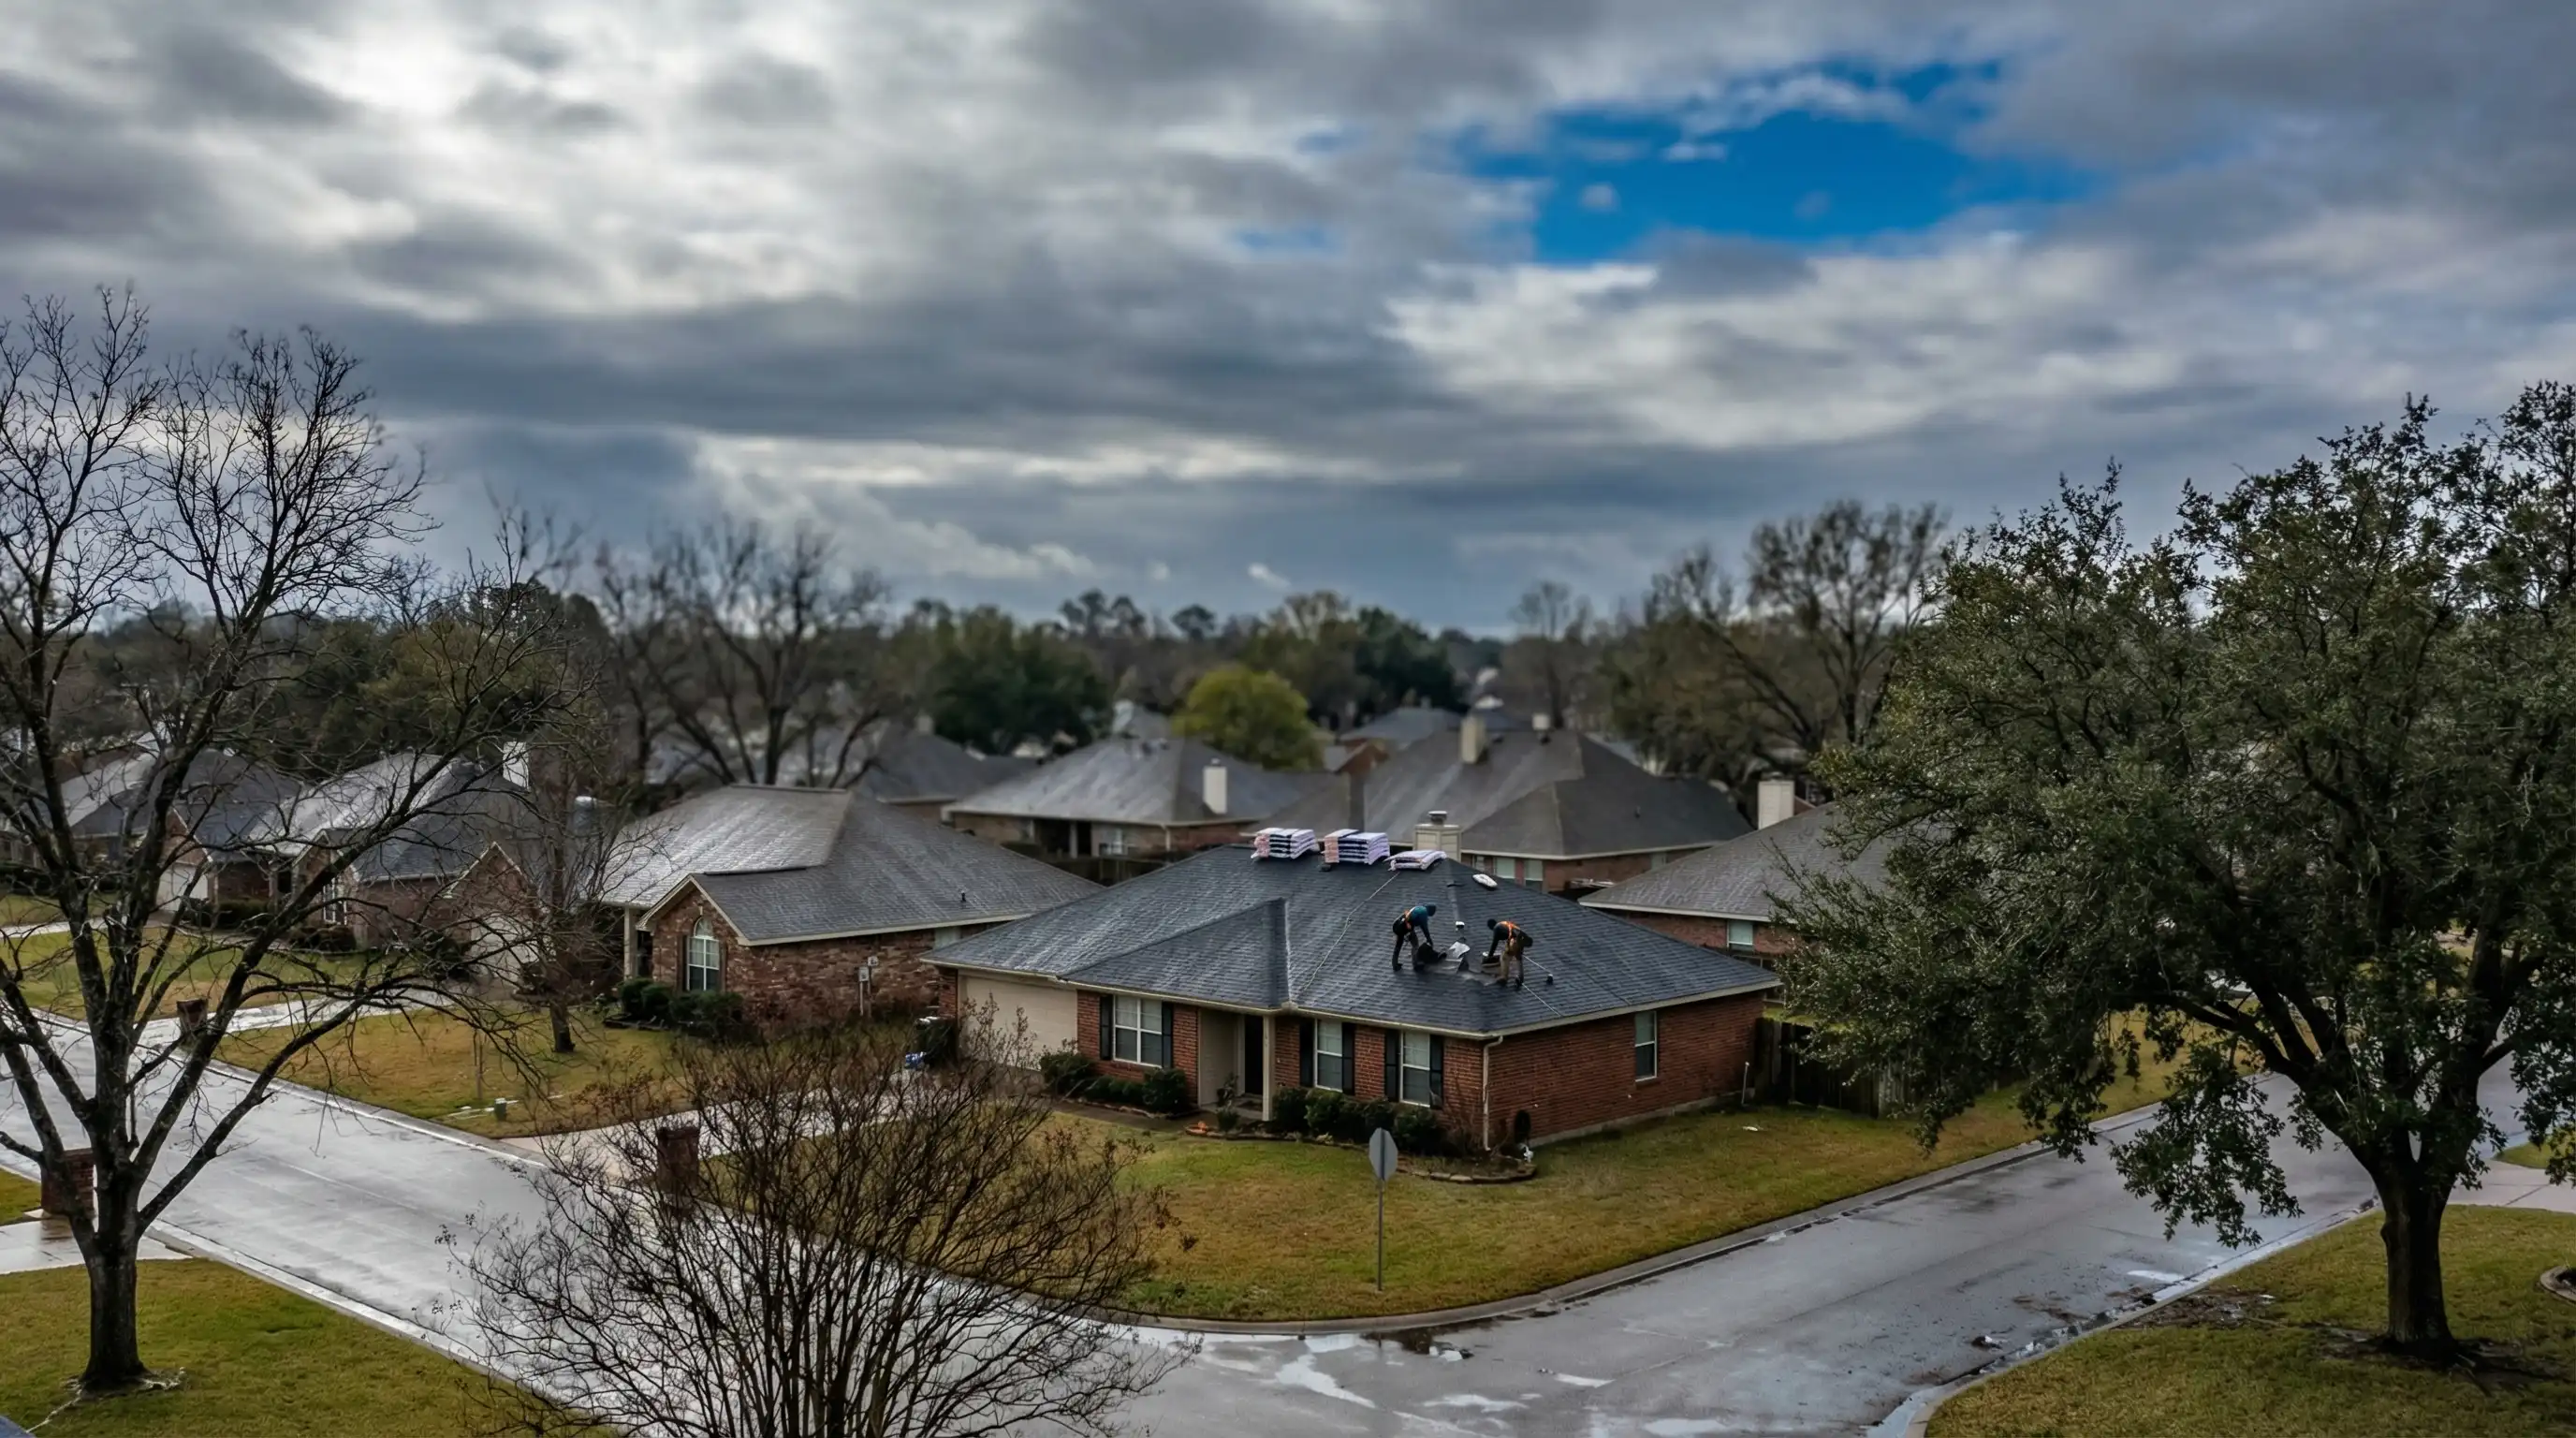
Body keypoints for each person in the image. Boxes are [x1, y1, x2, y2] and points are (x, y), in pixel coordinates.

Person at [1485, 917, 1532, 990]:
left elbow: (1494, 944)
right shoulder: (1503, 924)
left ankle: (1504, 977)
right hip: (1522, 940)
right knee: (1518, 959)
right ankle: (1520, 978)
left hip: (1514, 941)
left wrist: (1489, 957)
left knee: (1505, 957)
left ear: (1491, 926)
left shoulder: (1496, 928)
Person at [1390, 902, 1437, 969]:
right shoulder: (1424, 914)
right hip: (1405, 928)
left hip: (1397, 924)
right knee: (1415, 945)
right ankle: (1416, 964)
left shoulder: (1419, 908)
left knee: (1398, 945)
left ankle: (1394, 964)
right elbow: (1425, 929)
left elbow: (1408, 916)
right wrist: (1429, 940)